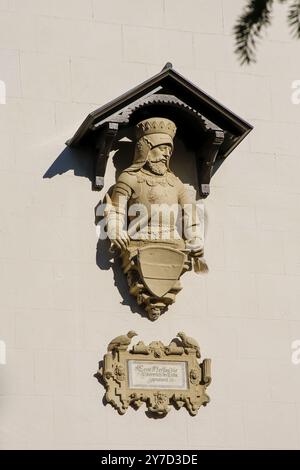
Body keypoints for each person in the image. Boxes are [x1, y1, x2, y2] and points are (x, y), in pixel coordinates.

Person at [106, 117, 206, 320]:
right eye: (162, 149)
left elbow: (191, 215)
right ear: (146, 149)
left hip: (172, 243)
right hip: (140, 241)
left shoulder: (176, 184)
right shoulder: (130, 178)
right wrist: (117, 230)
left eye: (169, 150)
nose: (166, 154)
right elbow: (116, 210)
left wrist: (196, 240)